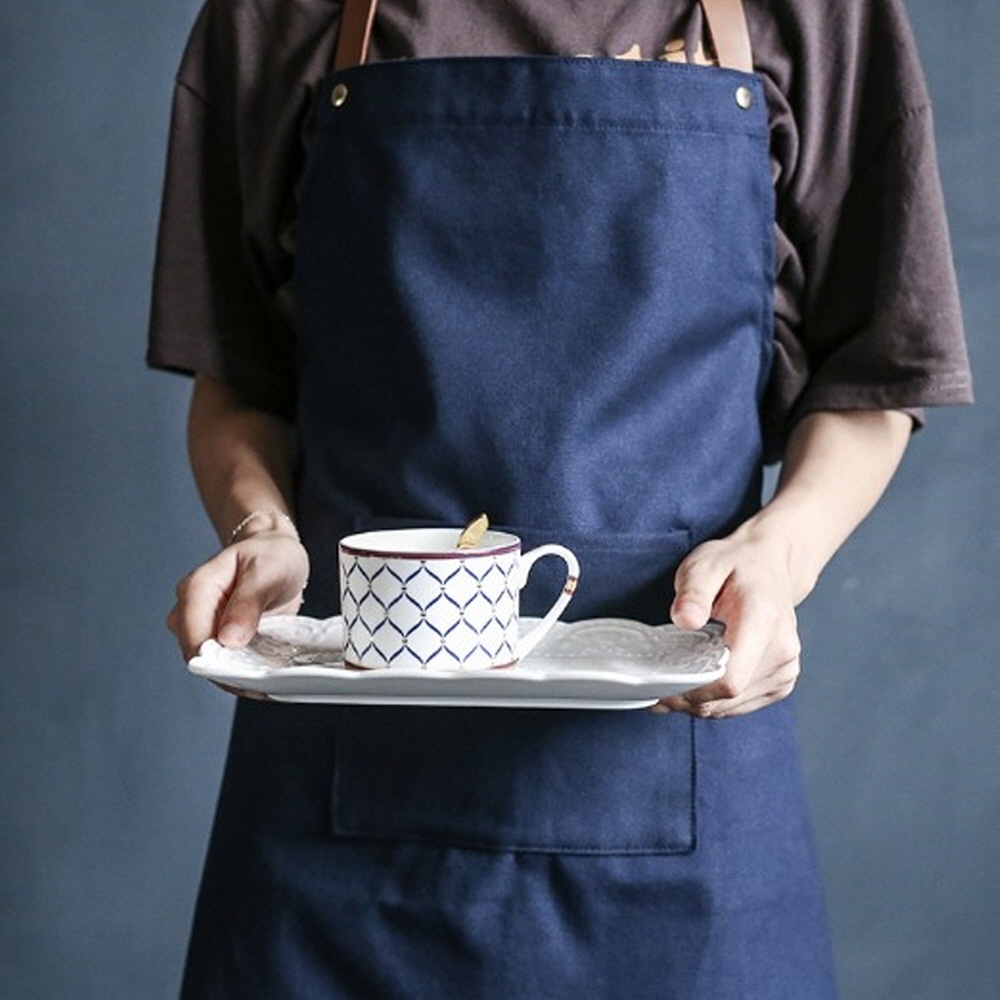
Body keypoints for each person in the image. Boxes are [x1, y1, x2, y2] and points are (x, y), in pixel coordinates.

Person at [149, 0, 972, 996]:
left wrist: (780, 556)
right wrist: (260, 524)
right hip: (333, 819)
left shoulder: (819, 13)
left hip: (684, 795)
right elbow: (238, 377)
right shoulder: (271, 15)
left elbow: (872, 376)